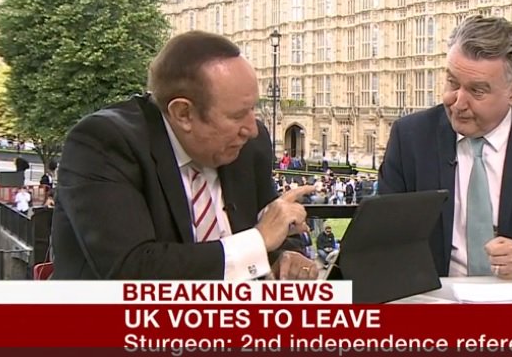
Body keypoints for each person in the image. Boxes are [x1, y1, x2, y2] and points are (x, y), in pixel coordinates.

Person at [52, 31, 318, 280]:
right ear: (183, 114)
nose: (251, 128)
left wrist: (286, 255)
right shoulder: (103, 144)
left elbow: (273, 229)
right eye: (237, 115)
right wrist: (257, 242)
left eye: (252, 109)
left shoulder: (250, 144)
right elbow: (131, 269)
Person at [378, 15, 512, 279]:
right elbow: (382, 242)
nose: (458, 102)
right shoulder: (410, 137)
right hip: (434, 301)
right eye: (452, 83)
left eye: (477, 91)